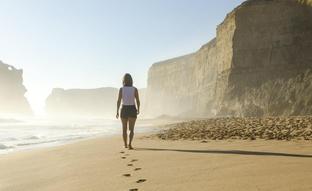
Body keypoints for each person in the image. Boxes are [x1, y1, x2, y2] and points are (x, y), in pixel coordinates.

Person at [116, 73, 140, 150]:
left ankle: (125, 144)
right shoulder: (135, 89)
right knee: (131, 129)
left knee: (124, 129)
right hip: (132, 109)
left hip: (124, 109)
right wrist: (138, 109)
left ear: (123, 80)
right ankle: (130, 144)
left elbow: (119, 101)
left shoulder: (121, 89)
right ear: (131, 80)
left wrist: (117, 111)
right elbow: (138, 100)